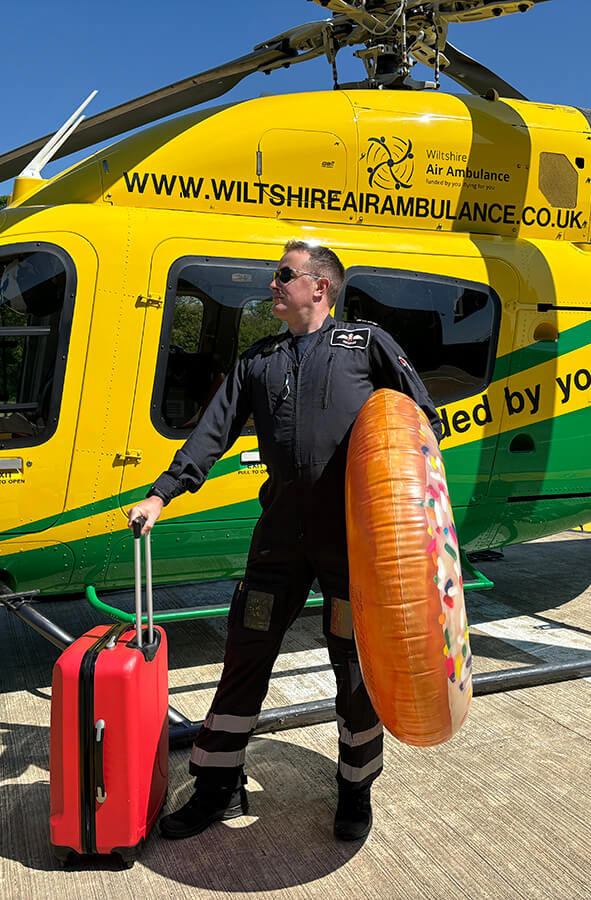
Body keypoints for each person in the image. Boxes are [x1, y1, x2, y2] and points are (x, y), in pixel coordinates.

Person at [128, 239, 441, 842]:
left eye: (283, 275)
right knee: (244, 655)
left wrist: (414, 523)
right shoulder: (259, 359)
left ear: (319, 286)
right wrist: (163, 492)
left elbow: (420, 423)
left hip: (351, 543)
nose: (272, 285)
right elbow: (212, 431)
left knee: (353, 668)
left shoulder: (367, 344)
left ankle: (355, 790)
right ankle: (217, 786)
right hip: (278, 541)